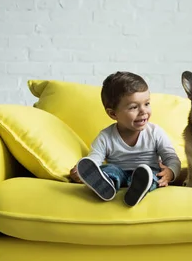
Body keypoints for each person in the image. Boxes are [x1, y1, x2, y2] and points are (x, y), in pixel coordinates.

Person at [70, 71, 181, 206]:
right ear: (113, 113)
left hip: (147, 172)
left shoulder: (155, 132)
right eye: (134, 107)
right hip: (119, 173)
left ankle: (137, 190)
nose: (143, 111)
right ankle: (107, 185)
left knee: (152, 176)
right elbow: (95, 159)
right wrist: (82, 172)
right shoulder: (106, 136)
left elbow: (171, 158)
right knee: (109, 170)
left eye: (147, 104)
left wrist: (171, 172)